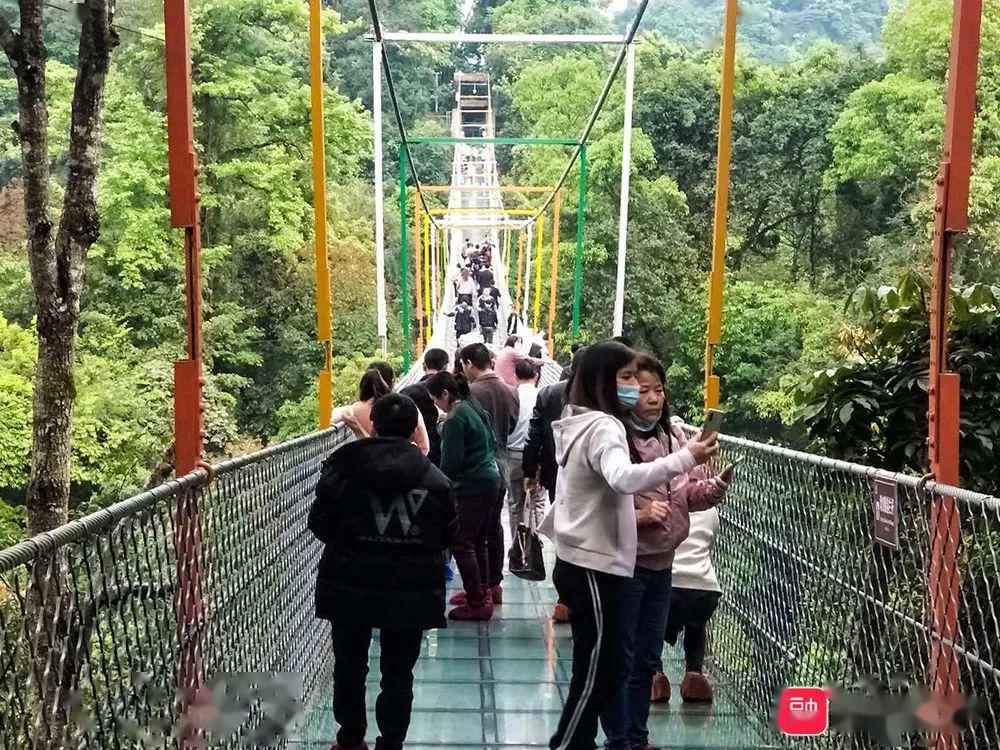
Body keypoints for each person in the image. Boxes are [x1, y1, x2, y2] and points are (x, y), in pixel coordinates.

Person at [542, 341, 719, 750]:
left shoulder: (578, 420)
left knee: (609, 662)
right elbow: (622, 478)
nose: (638, 391)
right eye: (626, 380)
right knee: (603, 666)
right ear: (604, 381)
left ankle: (614, 740)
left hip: (591, 560)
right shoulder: (605, 427)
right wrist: (687, 457)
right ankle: (577, 743)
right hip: (598, 565)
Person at [308, 393, 456, 750]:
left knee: (349, 665)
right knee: (398, 673)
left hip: (349, 582)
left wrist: (355, 543)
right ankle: (391, 742)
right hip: (411, 589)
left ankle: (349, 738)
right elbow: (446, 535)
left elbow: (320, 522)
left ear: (373, 424)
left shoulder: (342, 469)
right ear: (413, 429)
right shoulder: (435, 481)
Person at [599, 355, 730, 750]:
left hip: (663, 566)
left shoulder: (672, 439)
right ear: (623, 394)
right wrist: (638, 516)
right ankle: (618, 738)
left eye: (658, 390)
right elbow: (602, 501)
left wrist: (714, 487)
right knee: (620, 656)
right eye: (643, 391)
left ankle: (636, 738)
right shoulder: (614, 439)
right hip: (627, 566)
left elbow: (686, 494)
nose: (654, 398)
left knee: (645, 657)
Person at [426, 372, 501, 620]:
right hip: (489, 479)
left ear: (445, 394)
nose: (436, 405)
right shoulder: (472, 405)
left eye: (435, 399)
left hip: (471, 486)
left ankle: (478, 602)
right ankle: (481, 590)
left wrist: (438, 486)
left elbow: (451, 462)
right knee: (478, 540)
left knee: (462, 542)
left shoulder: (456, 418)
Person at [524, 345, 586, 622]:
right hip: (592, 482)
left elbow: (533, 434)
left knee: (565, 533)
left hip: (556, 475)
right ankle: (579, 598)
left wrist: (530, 471)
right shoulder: (607, 401)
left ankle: (564, 600)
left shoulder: (548, 393)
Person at [461, 343, 519, 601]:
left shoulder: (470, 394)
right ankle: (495, 583)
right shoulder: (511, 391)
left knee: (473, 532)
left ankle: (479, 588)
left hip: (476, 470)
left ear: (470, 363)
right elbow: (514, 423)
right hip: (502, 466)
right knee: (494, 525)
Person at [655, 507, 723, 704]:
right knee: (696, 625)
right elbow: (709, 547)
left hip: (669, 585)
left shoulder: (664, 502)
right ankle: (694, 673)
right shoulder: (710, 509)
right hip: (706, 589)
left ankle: (654, 674)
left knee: (652, 624)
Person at [332, 368, 430, 456]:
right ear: (391, 382)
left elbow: (333, 416)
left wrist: (358, 429)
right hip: (409, 462)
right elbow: (424, 447)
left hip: (373, 462)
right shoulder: (409, 408)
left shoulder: (353, 410)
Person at [505, 359, 540, 569]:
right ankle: (534, 544)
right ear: (535, 376)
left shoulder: (511, 395)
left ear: (516, 376)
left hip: (512, 455)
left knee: (515, 504)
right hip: (535, 457)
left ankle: (516, 547)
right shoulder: (542, 395)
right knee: (535, 502)